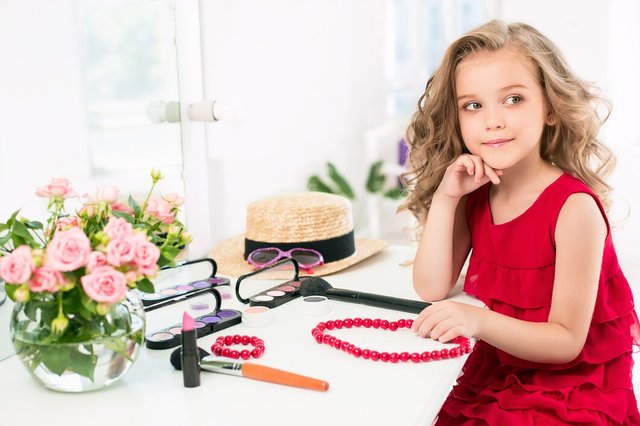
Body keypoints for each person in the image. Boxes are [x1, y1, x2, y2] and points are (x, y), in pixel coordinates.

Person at [401, 20, 640, 424]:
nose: (492, 120)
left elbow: (566, 342)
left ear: (550, 108)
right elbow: (431, 286)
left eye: (513, 99)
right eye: (473, 105)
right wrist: (445, 198)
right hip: (500, 370)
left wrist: (477, 320)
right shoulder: (475, 192)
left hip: (572, 386)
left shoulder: (573, 209)